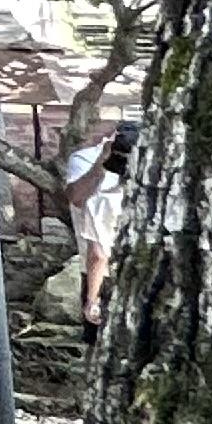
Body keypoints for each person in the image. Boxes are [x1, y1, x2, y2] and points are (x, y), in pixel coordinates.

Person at [72, 126, 132, 329]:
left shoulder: (99, 200)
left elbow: (98, 254)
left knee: (100, 337)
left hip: (103, 279)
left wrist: (92, 299)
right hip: (142, 275)